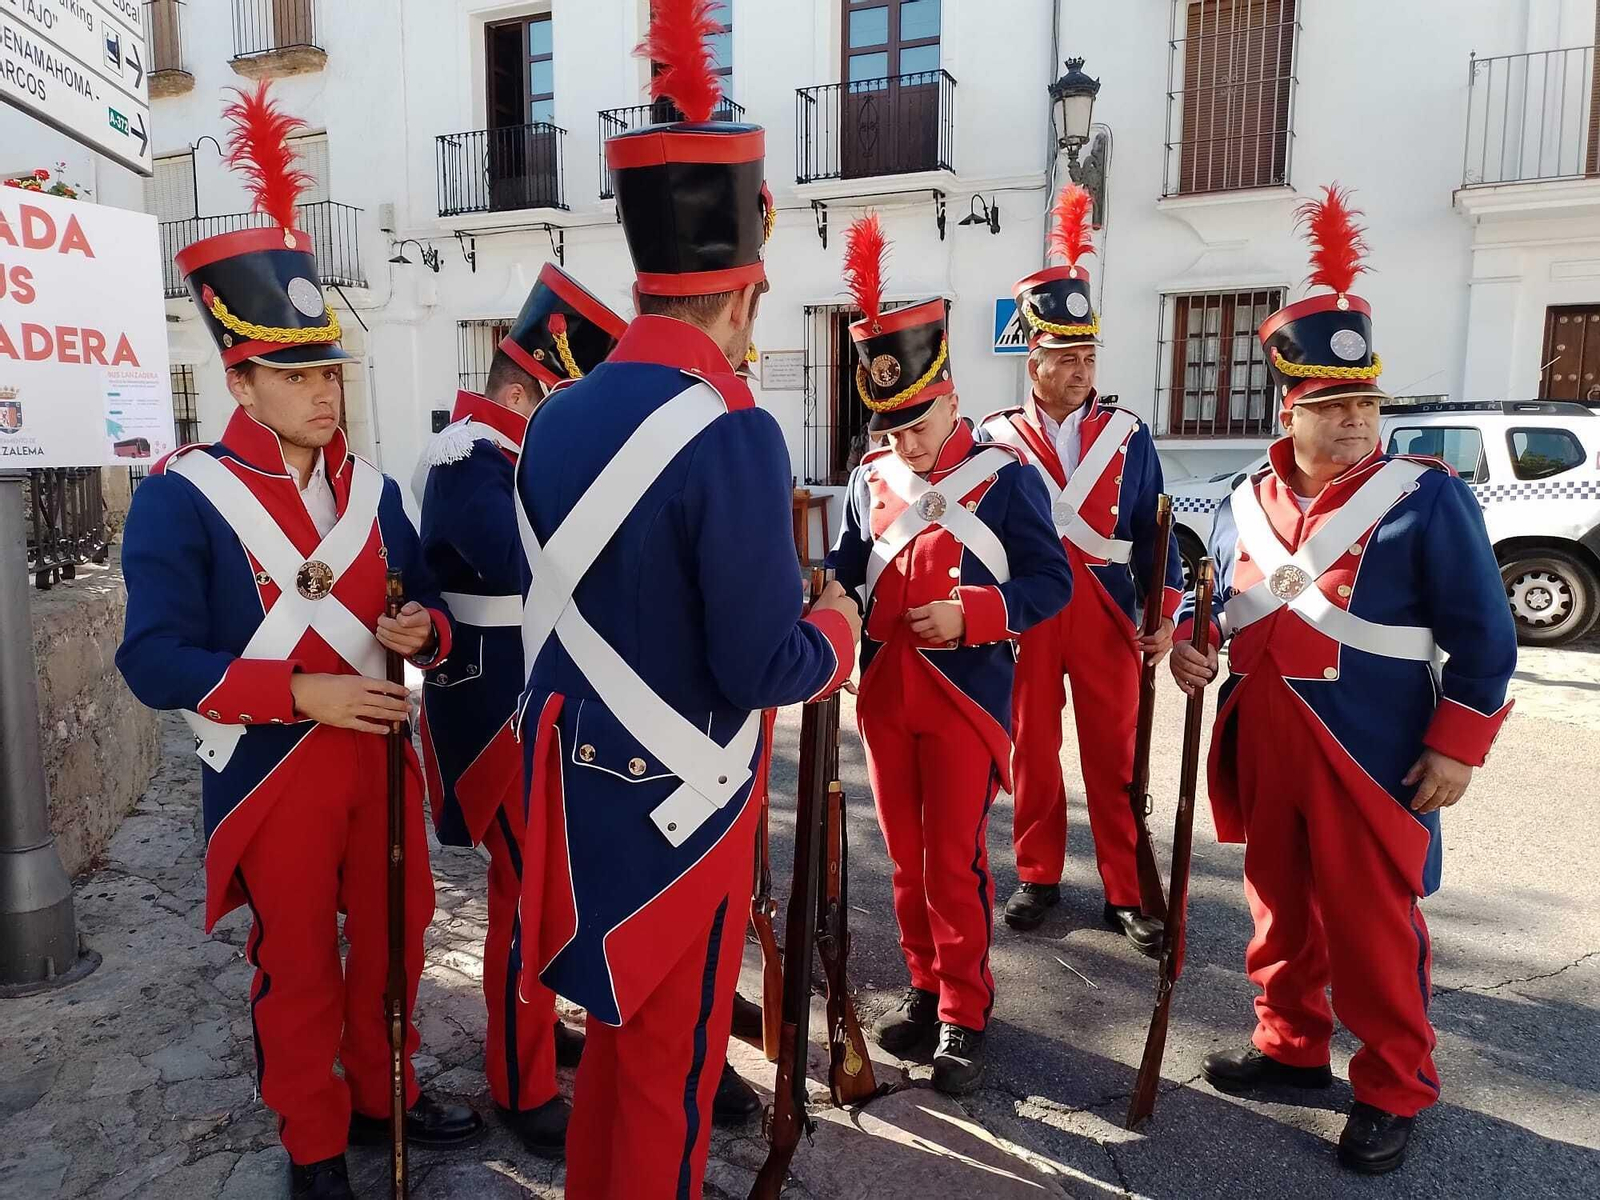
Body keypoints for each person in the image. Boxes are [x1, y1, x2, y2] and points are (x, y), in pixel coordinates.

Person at [509, 12, 861, 1197]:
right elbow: (766, 661)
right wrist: (838, 631)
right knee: (666, 1066)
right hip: (683, 810)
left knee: (613, 1041)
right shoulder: (736, 434)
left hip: (577, 786)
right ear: (749, 289)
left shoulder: (553, 414)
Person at [115, 83, 481, 1200]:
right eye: (298, 373)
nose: (325, 393)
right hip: (271, 766)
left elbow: (417, 604)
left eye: (330, 371)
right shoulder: (183, 497)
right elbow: (153, 658)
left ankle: (383, 1094)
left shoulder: (373, 491)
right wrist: (298, 694)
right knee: (299, 969)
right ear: (241, 377)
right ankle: (315, 1139)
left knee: (395, 943)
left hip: (377, 759)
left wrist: (422, 629)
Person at [1169, 185, 1517, 1175]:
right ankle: (1288, 1051)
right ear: (1291, 407)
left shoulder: (1423, 501)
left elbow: (1485, 640)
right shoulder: (1241, 499)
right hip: (1267, 737)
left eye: (1366, 402)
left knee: (1371, 930)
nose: (1356, 421)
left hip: (1371, 746)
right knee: (1277, 908)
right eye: (1333, 407)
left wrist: (1457, 743)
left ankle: (1394, 1085)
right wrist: (1193, 650)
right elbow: (1218, 607)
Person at [829, 215, 1073, 1094]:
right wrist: (824, 590)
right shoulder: (870, 479)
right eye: (890, 426)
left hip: (966, 695)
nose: (905, 440)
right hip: (886, 693)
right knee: (901, 857)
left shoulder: (1007, 479)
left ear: (952, 397)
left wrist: (974, 613)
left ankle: (967, 1010)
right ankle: (926, 988)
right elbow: (849, 565)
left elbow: (1052, 586)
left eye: (918, 420)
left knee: (955, 858)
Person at [414, 263, 626, 1156]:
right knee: (525, 894)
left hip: (538, 701)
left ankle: (534, 1030)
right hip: (492, 713)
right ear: (540, 385)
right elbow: (527, 566)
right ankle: (520, 1079)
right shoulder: (470, 457)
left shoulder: (522, 457)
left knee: (551, 887)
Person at [981, 185, 1182, 952]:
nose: (1079, 368)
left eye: (1088, 355)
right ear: (1031, 360)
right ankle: (1037, 874)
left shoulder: (1126, 433)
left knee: (1114, 752)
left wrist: (1160, 613)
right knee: (1031, 747)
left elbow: (1157, 529)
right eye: (1065, 356)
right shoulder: (994, 437)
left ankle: (1127, 889)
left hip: (1104, 607)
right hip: (1029, 610)